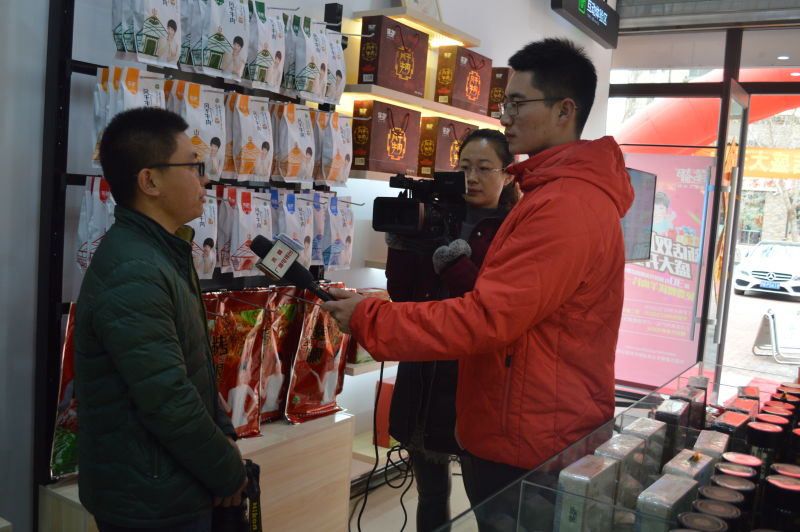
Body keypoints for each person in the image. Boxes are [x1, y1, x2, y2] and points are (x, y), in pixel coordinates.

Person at [322, 37, 634, 513]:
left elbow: (488, 317)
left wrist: (370, 318)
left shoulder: (563, 204)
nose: (506, 117)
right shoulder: (555, 194)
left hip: (531, 431)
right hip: (526, 417)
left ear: (564, 110)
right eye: (504, 104)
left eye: (518, 104)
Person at [74, 107, 247, 531]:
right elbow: (168, 400)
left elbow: (191, 369)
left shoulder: (161, 252)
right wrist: (227, 470)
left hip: (170, 485)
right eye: (193, 166)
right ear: (149, 181)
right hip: (151, 501)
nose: (205, 180)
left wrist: (223, 433)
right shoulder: (134, 268)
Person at [385, 129, 518, 531]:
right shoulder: (437, 216)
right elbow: (403, 296)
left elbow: (494, 311)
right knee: (430, 494)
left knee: (489, 505)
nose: (472, 178)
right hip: (424, 369)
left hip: (475, 378)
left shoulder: (515, 229)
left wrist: (456, 266)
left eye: (484, 168)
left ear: (508, 174)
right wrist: (401, 246)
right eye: (464, 167)